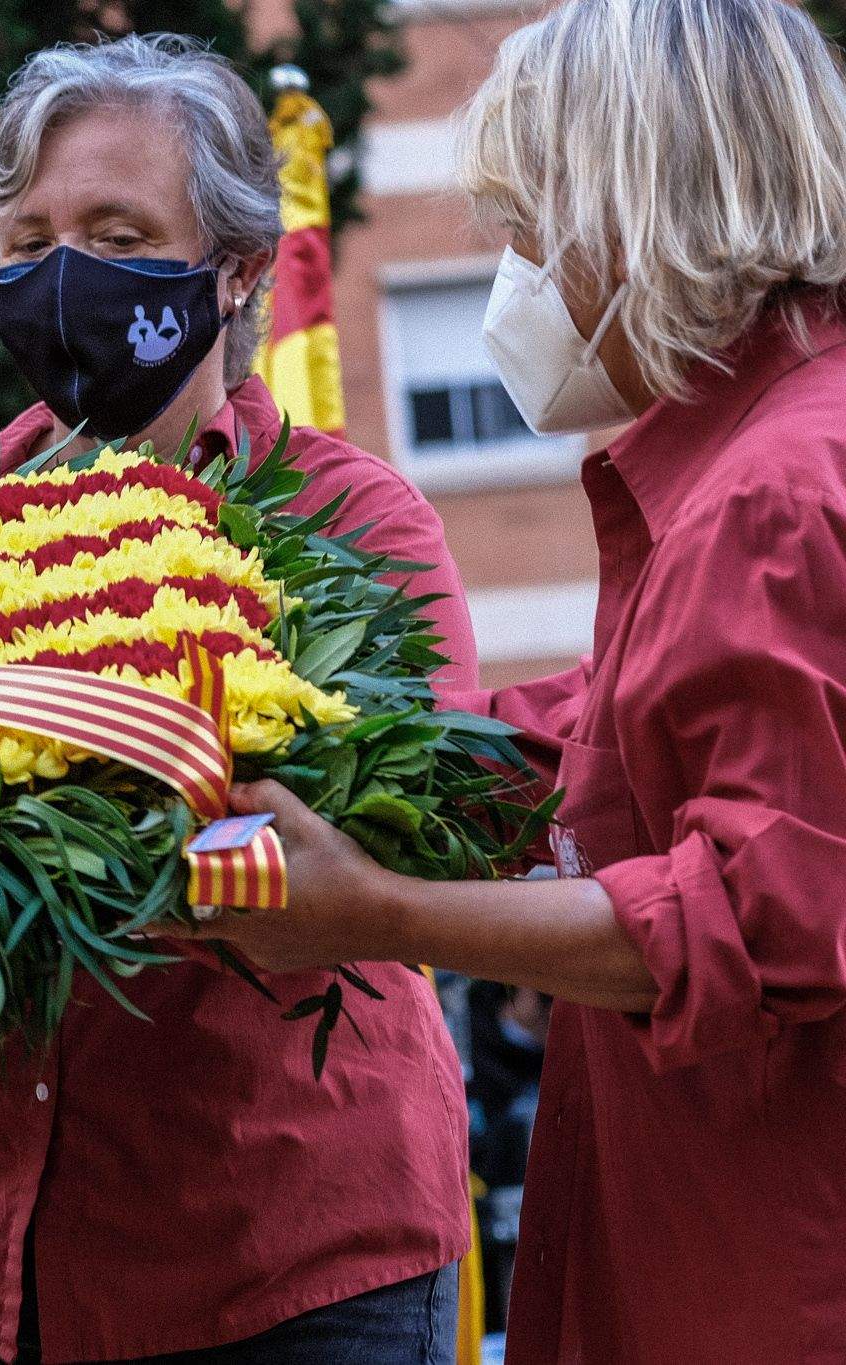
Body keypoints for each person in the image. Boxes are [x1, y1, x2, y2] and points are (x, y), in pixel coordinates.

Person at [183, 1, 846, 1359]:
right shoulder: (761, 456)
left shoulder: (769, 494)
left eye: (530, 229)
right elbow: (613, 739)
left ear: (635, 206)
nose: (518, 276)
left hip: (764, 1269)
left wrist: (377, 910)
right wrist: (321, 745)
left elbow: (759, 921)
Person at [0, 35, 475, 1364]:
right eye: (27, 241)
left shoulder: (356, 525)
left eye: (117, 236)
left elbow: (423, 847)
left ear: (239, 268)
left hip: (288, 1266)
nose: (64, 278)